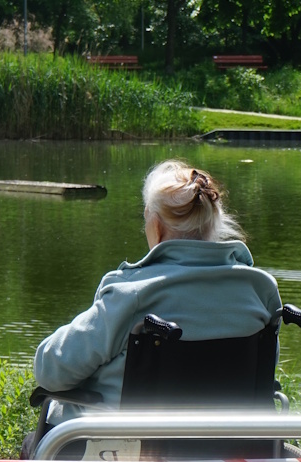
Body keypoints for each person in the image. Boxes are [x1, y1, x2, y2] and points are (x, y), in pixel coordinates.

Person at [34, 159, 282, 425]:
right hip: (233, 453)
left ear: (155, 223)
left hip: (129, 456)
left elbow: (51, 371)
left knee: (42, 427)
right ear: (214, 222)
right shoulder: (260, 291)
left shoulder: (132, 294)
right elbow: (263, 373)